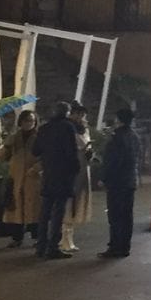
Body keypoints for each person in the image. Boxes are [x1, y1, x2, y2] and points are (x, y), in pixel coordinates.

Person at [31, 101, 83, 260]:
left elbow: (35, 150)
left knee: (45, 211)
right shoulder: (67, 127)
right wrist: (75, 168)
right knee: (58, 211)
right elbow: (71, 151)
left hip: (48, 172)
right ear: (66, 113)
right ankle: (53, 247)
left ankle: (41, 246)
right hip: (63, 174)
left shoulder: (44, 128)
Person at [97, 107, 143, 258]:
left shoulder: (117, 137)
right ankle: (124, 246)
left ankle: (115, 246)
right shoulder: (134, 136)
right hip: (129, 181)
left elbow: (112, 161)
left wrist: (104, 178)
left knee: (115, 215)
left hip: (117, 182)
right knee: (127, 215)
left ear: (119, 120)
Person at [62, 102, 95, 255]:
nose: (81, 117)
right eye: (78, 114)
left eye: (82, 114)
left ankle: (70, 238)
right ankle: (64, 238)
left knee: (78, 200)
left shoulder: (84, 128)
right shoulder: (68, 128)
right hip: (72, 167)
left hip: (83, 166)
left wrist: (90, 153)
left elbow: (87, 145)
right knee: (69, 202)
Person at [5, 110, 41, 247]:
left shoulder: (39, 137)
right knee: (17, 207)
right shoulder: (15, 137)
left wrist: (37, 168)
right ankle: (17, 237)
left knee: (34, 207)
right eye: (26, 120)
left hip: (33, 176)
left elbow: (45, 156)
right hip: (16, 174)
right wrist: (7, 146)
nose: (29, 124)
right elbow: (4, 156)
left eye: (31, 121)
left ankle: (37, 237)